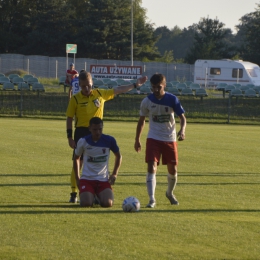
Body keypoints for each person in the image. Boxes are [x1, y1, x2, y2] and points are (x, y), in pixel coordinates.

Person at [66, 70, 148, 203]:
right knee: (78, 162)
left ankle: (98, 190)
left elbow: (119, 90)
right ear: (79, 85)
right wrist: (69, 137)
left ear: (92, 83)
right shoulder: (75, 99)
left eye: (88, 85)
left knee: (99, 160)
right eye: (83, 86)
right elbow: (69, 118)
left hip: (97, 132)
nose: (86, 88)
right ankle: (74, 192)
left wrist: (135, 84)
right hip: (81, 132)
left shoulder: (100, 94)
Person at [134, 73, 186, 208]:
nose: (155, 90)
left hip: (169, 138)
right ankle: (152, 200)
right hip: (153, 138)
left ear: (164, 85)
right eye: (153, 87)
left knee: (173, 170)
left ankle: (169, 193)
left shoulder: (172, 99)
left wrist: (182, 130)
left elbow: (182, 118)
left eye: (158, 87)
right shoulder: (146, 101)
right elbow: (141, 121)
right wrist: (137, 139)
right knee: (151, 167)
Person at [73, 117, 122, 207]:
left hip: (103, 179)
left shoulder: (109, 140)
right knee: (86, 203)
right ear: (89, 129)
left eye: (100, 129)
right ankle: (90, 196)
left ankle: (97, 196)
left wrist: (114, 174)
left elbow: (118, 156)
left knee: (108, 203)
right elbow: (76, 158)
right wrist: (77, 178)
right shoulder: (83, 141)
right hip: (87, 179)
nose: (98, 132)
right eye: (95, 129)